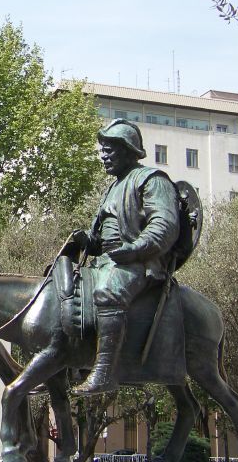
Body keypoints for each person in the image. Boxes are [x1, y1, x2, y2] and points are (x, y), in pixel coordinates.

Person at [71, 118, 180, 396]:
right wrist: (89, 241)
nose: (103, 155)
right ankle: (68, 363)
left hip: (138, 263)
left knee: (108, 292)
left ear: (129, 150)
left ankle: (105, 373)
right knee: (67, 289)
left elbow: (164, 225)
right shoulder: (113, 187)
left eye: (110, 149)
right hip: (107, 260)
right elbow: (105, 236)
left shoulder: (151, 179)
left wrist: (135, 249)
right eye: (102, 149)